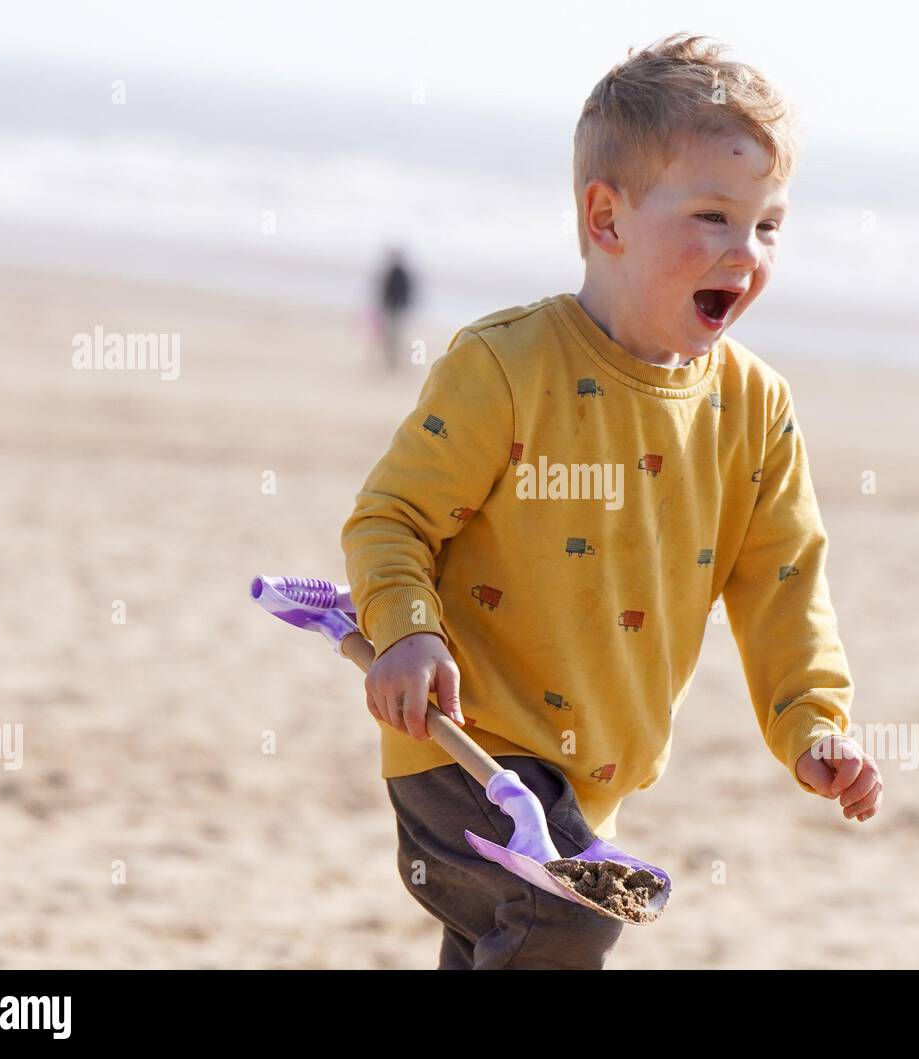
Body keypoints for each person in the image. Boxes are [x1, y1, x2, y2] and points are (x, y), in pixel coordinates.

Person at [340, 33, 882, 970]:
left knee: (501, 947)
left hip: (590, 778)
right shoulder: (507, 366)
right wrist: (407, 627)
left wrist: (811, 718)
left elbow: (783, 582)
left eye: (768, 225)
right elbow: (392, 517)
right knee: (572, 915)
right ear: (607, 217)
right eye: (713, 216)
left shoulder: (755, 410)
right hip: (464, 749)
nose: (744, 252)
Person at [376, 248, 414, 373]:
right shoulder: (400, 274)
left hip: (394, 309)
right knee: (392, 336)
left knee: (393, 336)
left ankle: (392, 359)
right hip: (394, 309)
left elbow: (387, 292)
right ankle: (392, 359)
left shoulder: (395, 273)